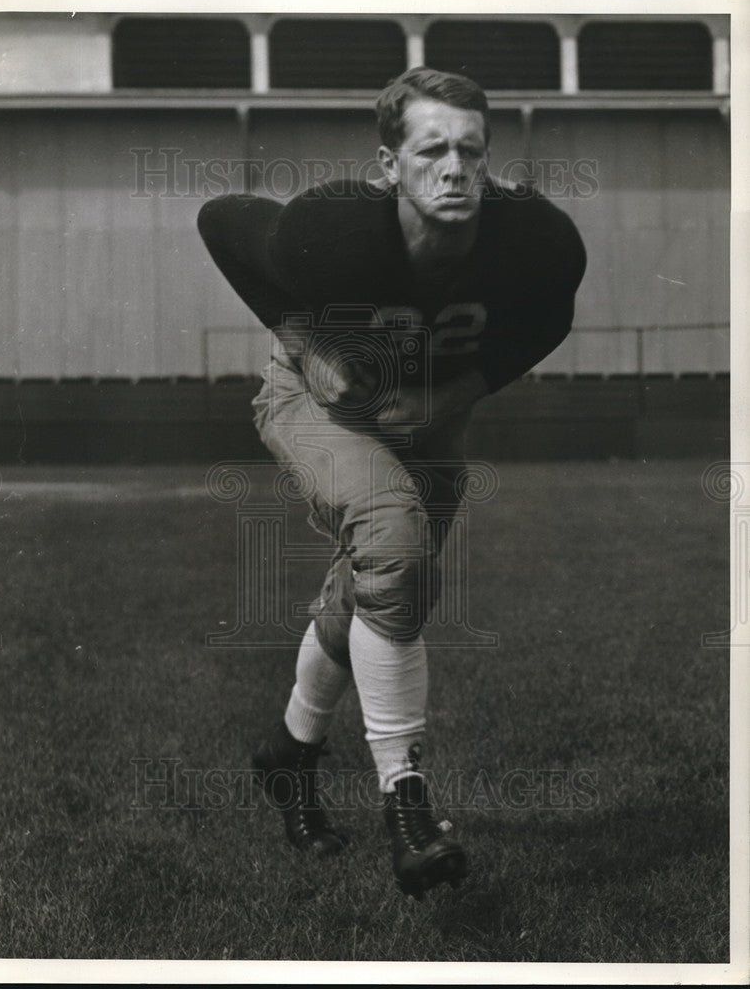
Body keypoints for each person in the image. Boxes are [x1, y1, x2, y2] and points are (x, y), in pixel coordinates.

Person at [198, 66, 586, 899]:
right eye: (432, 149)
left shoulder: (532, 236)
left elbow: (552, 313)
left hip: (429, 410)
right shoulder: (333, 225)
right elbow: (224, 220)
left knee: (385, 586)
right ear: (388, 164)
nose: (454, 168)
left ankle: (289, 753)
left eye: (470, 151)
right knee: (393, 540)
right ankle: (405, 806)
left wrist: (462, 389)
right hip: (319, 399)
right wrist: (309, 344)